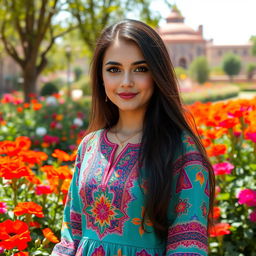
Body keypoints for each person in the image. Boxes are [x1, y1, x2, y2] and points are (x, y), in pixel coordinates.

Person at [51, 19, 215, 256]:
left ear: (157, 74)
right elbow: (70, 235)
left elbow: (188, 245)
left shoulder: (182, 150)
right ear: (101, 77)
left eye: (140, 69)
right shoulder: (89, 146)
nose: (126, 81)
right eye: (114, 70)